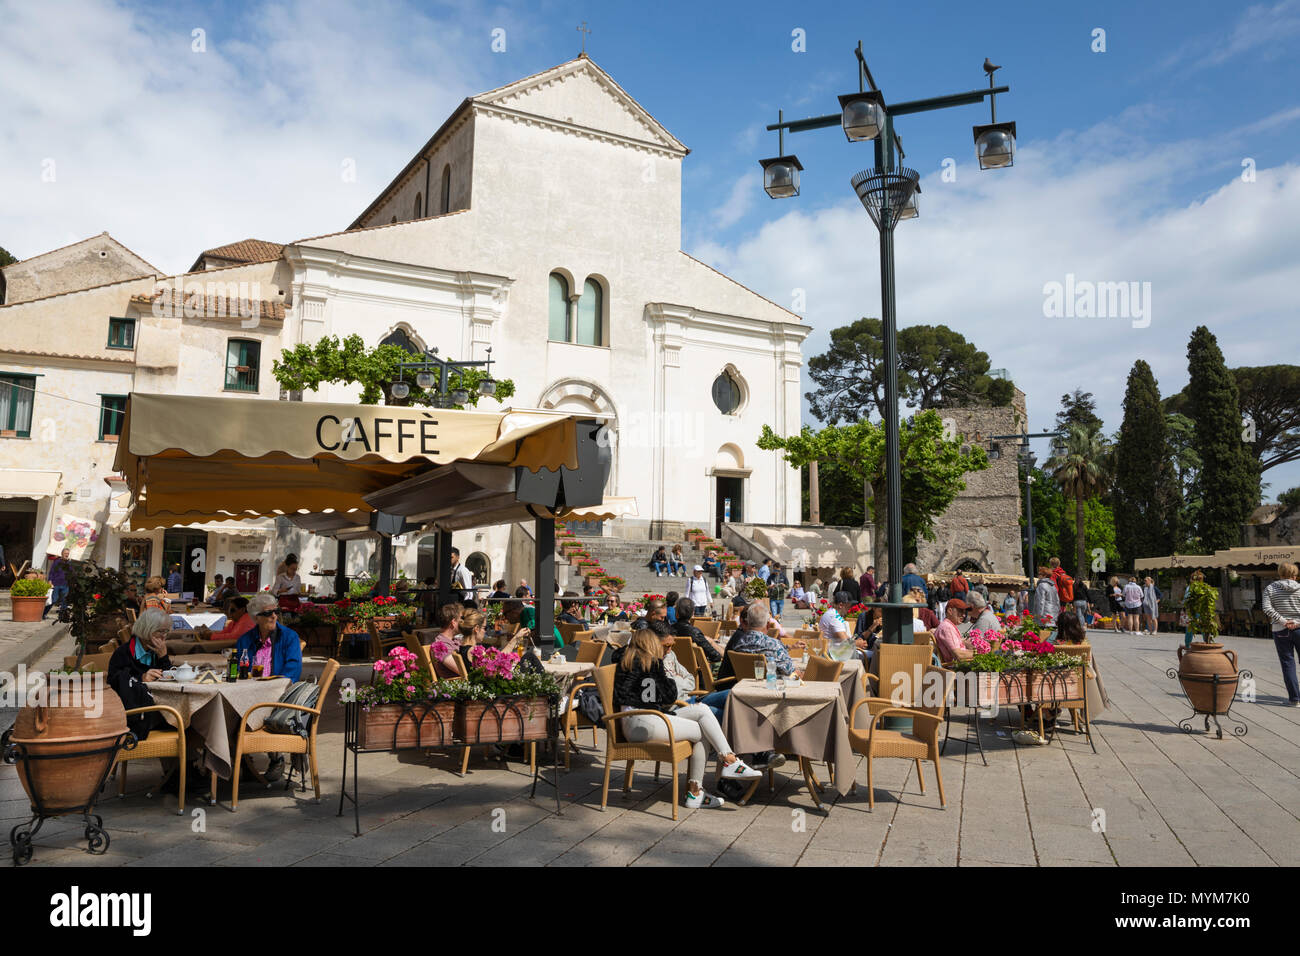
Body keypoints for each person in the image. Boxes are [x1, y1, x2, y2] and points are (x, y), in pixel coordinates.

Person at [612, 629, 761, 809]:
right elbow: (668, 695)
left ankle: (729, 760)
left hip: (639, 721)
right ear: (651, 644)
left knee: (702, 710)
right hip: (644, 722)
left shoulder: (627, 660)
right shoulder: (651, 663)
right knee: (703, 731)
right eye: (663, 645)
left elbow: (652, 695)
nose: (665, 649)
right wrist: (665, 675)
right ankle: (698, 789)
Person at [108, 607, 174, 741]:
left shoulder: (155, 651)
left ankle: (185, 759)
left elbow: (169, 677)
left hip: (156, 709)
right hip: (136, 717)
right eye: (160, 631)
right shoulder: (124, 653)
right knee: (181, 723)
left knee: (189, 721)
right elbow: (114, 684)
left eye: (166, 632)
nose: (164, 637)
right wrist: (141, 678)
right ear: (146, 629)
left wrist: (163, 657)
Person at [1262, 562, 1300, 706]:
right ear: (1294, 575)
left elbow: (1266, 608)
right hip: (1299, 628)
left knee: (1287, 663)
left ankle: (1295, 699)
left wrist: (1283, 621)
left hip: (1280, 629)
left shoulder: (1270, 588)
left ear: (1280, 573)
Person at [820, 591, 870, 663]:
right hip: (834, 656)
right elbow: (845, 641)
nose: (849, 609)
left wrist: (856, 641)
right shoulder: (834, 617)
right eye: (848, 606)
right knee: (870, 657)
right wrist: (858, 643)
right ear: (841, 605)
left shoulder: (831, 613)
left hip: (831, 652)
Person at [673, 597, 722, 663]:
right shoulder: (695, 633)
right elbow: (716, 656)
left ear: (676, 614)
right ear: (692, 614)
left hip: (677, 668)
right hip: (698, 671)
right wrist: (711, 642)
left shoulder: (669, 630)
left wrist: (704, 639)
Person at [934, 598, 975, 663]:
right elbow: (959, 655)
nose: (964, 615)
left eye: (964, 612)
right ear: (950, 611)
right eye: (960, 611)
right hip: (955, 668)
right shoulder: (947, 628)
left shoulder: (947, 625)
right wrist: (979, 654)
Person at [43, 548, 72, 620]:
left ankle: (63, 616)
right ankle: (43, 614)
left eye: (68, 553)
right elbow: (52, 572)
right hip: (56, 584)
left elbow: (71, 573)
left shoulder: (69, 563)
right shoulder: (57, 562)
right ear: (62, 554)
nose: (66, 555)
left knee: (64, 601)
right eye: (65, 553)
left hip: (65, 585)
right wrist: (50, 580)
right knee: (53, 600)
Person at [1180, 571, 1204, 648]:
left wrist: (1182, 602)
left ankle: (1187, 645)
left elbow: (1186, 599)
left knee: (1189, 628)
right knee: (1203, 628)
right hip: (1201, 609)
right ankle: (1207, 644)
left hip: (1191, 610)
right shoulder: (1203, 587)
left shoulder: (1190, 588)